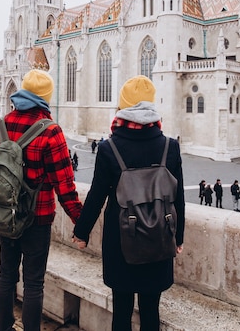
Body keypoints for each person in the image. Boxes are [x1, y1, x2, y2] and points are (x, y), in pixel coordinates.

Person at [72, 75, 185, 331]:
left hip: (121, 241)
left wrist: (81, 232)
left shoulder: (110, 148)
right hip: (159, 237)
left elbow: (97, 196)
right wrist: (177, 237)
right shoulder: (171, 147)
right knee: (150, 312)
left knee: (121, 313)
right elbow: (178, 198)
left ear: (123, 108)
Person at [0, 69, 82, 331]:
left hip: (5, 215)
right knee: (33, 283)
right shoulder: (51, 132)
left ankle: (3, 328)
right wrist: (81, 222)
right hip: (37, 218)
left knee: (6, 275)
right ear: (46, 97)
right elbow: (64, 186)